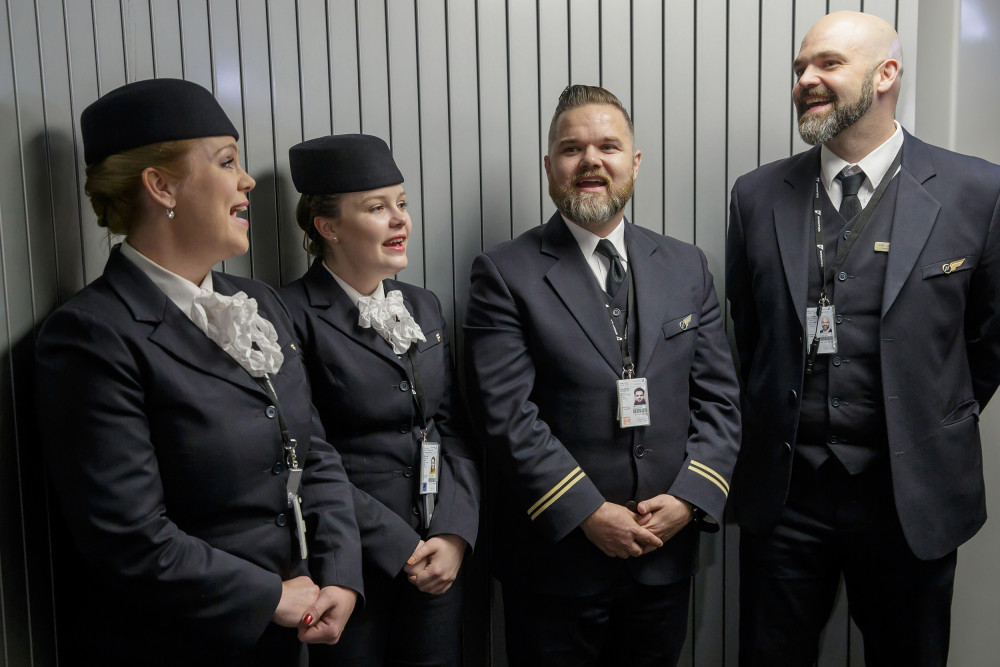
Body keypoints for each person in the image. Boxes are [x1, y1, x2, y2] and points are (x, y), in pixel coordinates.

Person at [34, 78, 363, 667]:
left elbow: (314, 454)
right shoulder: (91, 334)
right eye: (227, 161)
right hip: (177, 644)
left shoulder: (259, 301)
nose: (248, 181)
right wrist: (271, 598)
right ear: (161, 186)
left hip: (291, 630)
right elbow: (127, 541)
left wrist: (338, 572)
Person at [726, 11, 1000, 666]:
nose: (805, 80)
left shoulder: (976, 190)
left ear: (886, 75)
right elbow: (749, 334)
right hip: (786, 499)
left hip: (914, 500)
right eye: (799, 68)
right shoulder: (757, 196)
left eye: (827, 64)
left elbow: (987, 341)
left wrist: (931, 420)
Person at [464, 84, 741, 666]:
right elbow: (507, 415)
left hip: (664, 555)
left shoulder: (687, 265)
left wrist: (689, 500)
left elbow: (719, 400)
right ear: (549, 167)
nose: (591, 161)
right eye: (572, 149)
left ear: (634, 163)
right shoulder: (504, 273)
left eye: (608, 146)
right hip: (557, 561)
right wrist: (589, 512)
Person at [280, 134, 479, 666]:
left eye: (402, 203)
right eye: (377, 207)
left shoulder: (422, 304)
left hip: (440, 560)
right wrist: (400, 545)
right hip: (350, 566)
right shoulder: (286, 314)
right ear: (328, 227)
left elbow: (449, 426)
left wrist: (455, 532)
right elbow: (304, 455)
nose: (400, 220)